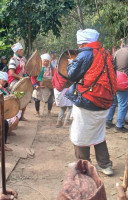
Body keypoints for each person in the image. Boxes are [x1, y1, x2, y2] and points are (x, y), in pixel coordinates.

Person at [65, 29, 117, 176]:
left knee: (80, 134)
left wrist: (71, 63)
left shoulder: (86, 54)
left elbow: (72, 75)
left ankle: (83, 167)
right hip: (106, 100)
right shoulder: (105, 53)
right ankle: (105, 165)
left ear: (83, 43)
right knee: (98, 133)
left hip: (89, 99)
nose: (79, 47)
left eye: (80, 44)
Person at [106, 45, 128, 133]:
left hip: (114, 79)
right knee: (123, 103)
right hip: (124, 80)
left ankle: (108, 121)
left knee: (113, 102)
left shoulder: (117, 52)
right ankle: (119, 126)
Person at [8, 42, 27, 121]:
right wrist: (20, 77)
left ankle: (21, 116)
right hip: (14, 82)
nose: (22, 51)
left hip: (22, 81)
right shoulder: (13, 60)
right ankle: (14, 117)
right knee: (16, 100)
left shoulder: (23, 59)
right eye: (21, 50)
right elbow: (12, 73)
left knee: (25, 98)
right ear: (17, 51)